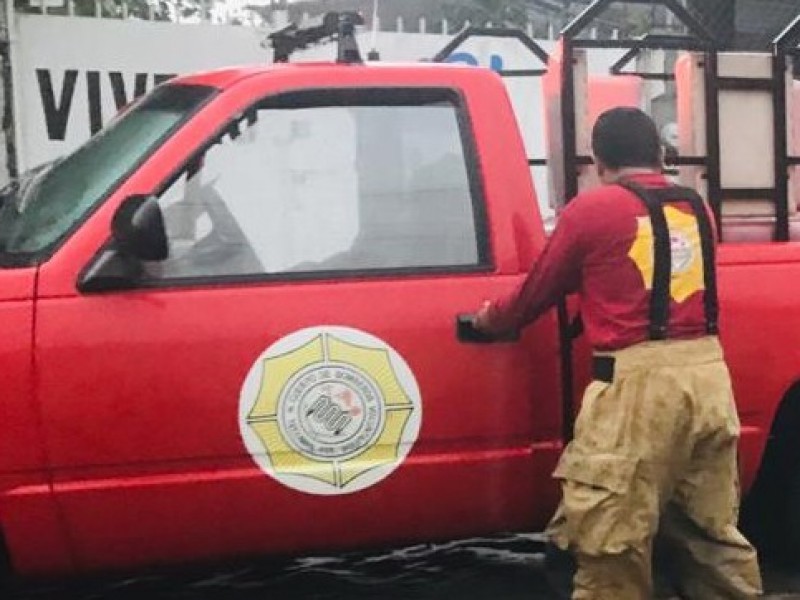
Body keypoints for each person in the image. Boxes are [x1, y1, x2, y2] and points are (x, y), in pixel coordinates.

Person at [473, 107, 762, 599]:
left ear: (597, 159)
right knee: (709, 531)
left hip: (638, 389)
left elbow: (536, 293)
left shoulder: (592, 211)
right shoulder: (696, 208)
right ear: (659, 154)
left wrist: (487, 320)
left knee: (611, 538)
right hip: (708, 378)